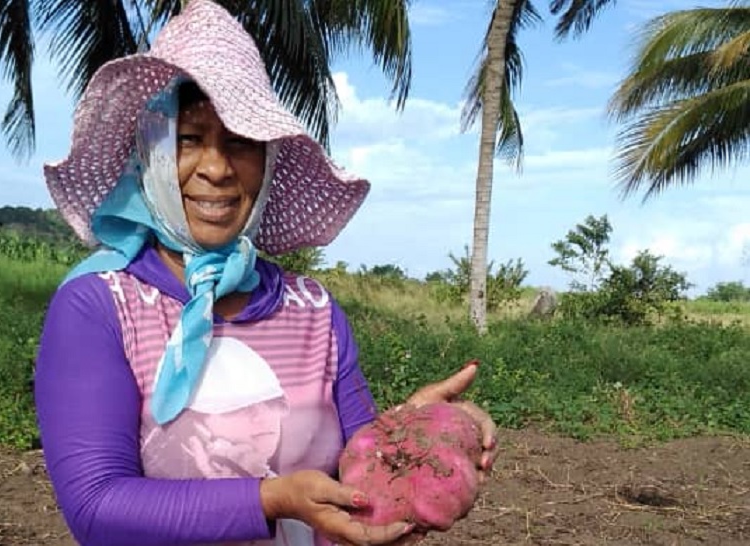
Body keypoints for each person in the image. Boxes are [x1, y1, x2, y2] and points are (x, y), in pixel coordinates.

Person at [33, 1, 498, 545]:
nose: (216, 167)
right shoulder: (99, 305)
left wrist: (413, 435)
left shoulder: (312, 310)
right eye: (189, 138)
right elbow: (97, 506)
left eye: (241, 142)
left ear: (268, 160)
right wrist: (270, 499)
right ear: (150, 152)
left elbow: (358, 467)